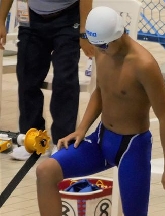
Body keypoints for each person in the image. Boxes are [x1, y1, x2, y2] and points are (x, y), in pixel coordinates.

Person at [21, 6, 165, 216]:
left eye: (105, 44)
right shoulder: (103, 51)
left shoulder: (144, 64)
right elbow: (100, 90)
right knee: (46, 170)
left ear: (120, 34)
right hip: (101, 139)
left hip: (133, 147)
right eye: (97, 45)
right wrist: (81, 128)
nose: (101, 51)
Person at [0, 0, 95, 161]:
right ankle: (33, 139)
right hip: (31, 16)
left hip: (68, 17)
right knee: (26, 77)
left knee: (64, 79)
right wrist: (1, 20)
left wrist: (84, 31)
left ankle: (62, 141)